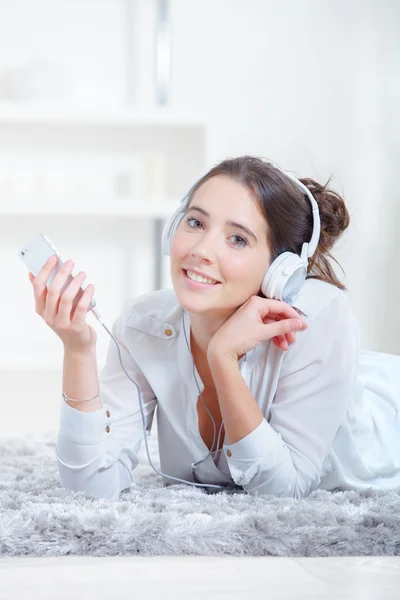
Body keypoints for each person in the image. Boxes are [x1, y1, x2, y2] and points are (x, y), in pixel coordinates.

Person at [29, 156, 400, 500]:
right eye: (196, 222)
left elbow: (283, 492)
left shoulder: (315, 317)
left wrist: (223, 358)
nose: (202, 250)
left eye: (237, 238)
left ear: (281, 271)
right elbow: (90, 486)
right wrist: (77, 349)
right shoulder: (143, 327)